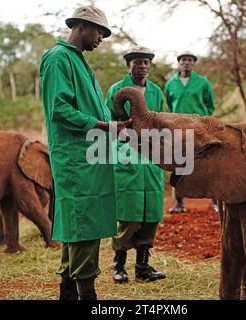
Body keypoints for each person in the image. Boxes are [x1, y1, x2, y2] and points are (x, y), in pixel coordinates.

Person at [39, 5, 131, 300]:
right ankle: (88, 296)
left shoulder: (79, 62)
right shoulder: (57, 59)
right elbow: (59, 109)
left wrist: (116, 127)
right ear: (81, 27)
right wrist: (103, 126)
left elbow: (94, 109)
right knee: (83, 227)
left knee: (78, 229)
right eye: (99, 32)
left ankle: (67, 293)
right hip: (76, 161)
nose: (101, 38)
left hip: (91, 159)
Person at [106, 47, 166, 284]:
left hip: (151, 157)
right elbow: (108, 123)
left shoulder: (156, 92)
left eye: (146, 63)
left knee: (151, 212)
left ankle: (143, 266)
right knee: (128, 213)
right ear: (128, 65)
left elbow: (161, 121)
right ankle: (119, 265)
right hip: (126, 154)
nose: (143, 66)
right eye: (138, 62)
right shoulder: (115, 90)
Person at [164, 51, 216, 213]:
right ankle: (179, 203)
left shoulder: (203, 82)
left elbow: (210, 104)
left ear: (193, 63)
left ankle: (214, 201)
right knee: (178, 164)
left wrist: (203, 121)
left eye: (190, 60)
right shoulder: (170, 84)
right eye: (183, 60)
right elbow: (169, 104)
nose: (186, 62)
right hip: (177, 129)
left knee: (207, 163)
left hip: (199, 128)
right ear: (179, 63)